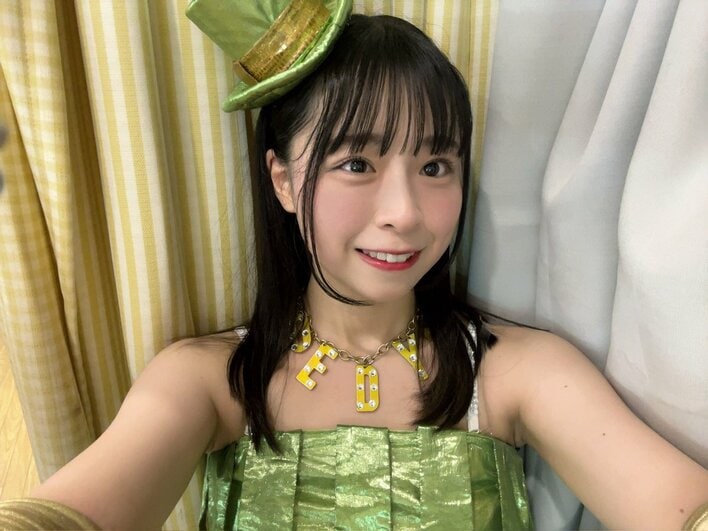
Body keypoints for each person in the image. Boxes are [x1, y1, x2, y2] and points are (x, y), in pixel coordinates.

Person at [1, 1, 706, 530]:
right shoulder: (208, 381)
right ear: (282, 180)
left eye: (435, 165)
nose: (404, 211)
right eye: (357, 163)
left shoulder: (516, 372)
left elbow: (676, 503)